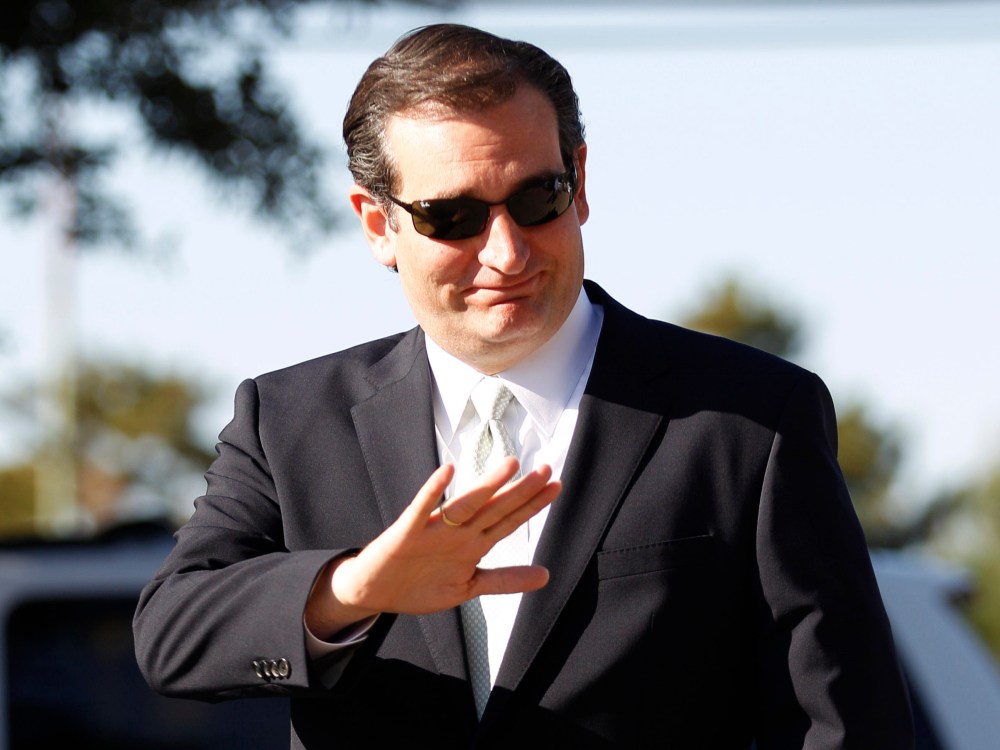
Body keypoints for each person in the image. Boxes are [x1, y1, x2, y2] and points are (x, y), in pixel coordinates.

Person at [134, 23, 914, 749]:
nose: (507, 252)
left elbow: (844, 725)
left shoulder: (750, 419)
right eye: (453, 217)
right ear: (378, 224)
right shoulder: (290, 420)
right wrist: (355, 587)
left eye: (537, 199)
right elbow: (172, 634)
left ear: (579, 181)